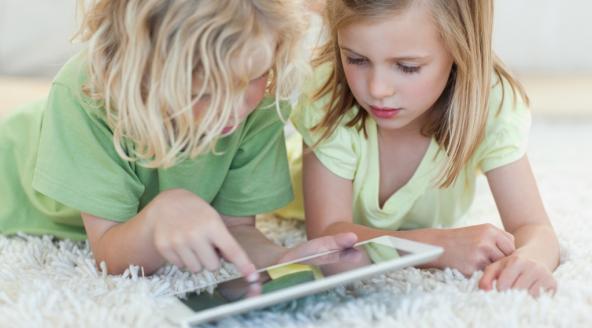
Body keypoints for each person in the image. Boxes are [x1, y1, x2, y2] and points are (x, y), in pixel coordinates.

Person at [0, 0, 357, 280]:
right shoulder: (87, 92)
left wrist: (279, 258)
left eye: (253, 75)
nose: (233, 110)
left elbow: (236, 229)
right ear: (141, 72)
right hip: (11, 179)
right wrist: (159, 215)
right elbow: (109, 256)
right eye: (204, 92)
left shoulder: (260, 100)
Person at [281, 0, 558, 296]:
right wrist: (436, 246)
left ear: (460, 50)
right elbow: (327, 237)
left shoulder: (491, 102)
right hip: (289, 188)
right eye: (357, 59)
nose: (377, 89)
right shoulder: (330, 96)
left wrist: (528, 260)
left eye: (407, 67)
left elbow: (534, 227)